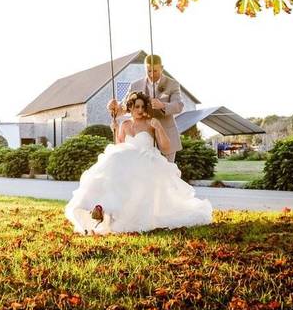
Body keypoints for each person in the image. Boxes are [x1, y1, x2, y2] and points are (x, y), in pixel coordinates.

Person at [65, 91, 212, 234]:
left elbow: (166, 147)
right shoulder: (124, 125)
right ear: (130, 107)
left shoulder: (151, 123)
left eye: (143, 107)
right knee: (112, 161)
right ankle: (100, 208)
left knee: (125, 165)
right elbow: (119, 146)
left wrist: (159, 128)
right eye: (137, 107)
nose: (140, 110)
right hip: (125, 160)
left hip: (146, 159)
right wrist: (115, 131)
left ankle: (111, 212)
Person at [107, 54, 183, 162]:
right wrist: (114, 108)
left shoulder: (172, 84)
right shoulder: (135, 85)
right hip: (143, 139)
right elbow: (125, 107)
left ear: (162, 68)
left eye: (155, 71)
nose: (152, 74)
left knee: (165, 175)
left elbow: (179, 105)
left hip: (165, 134)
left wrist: (163, 105)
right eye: (149, 71)